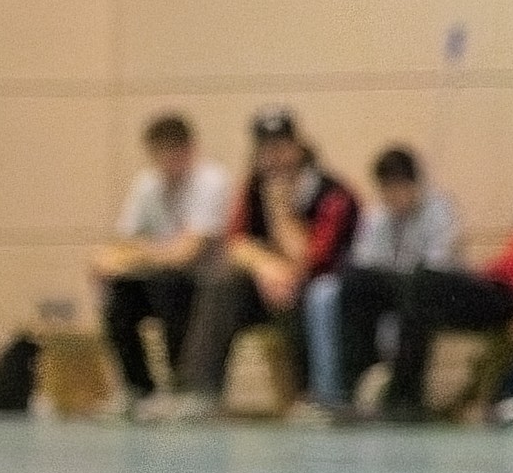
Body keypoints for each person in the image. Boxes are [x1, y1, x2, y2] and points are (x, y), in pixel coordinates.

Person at [344, 125, 513, 417]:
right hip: (497, 287)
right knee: (372, 286)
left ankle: (403, 400)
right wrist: (482, 276)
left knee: (422, 282)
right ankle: (370, 394)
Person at [171, 108, 357, 417]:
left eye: (280, 148)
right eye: (265, 150)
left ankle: (313, 395)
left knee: (304, 293)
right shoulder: (253, 188)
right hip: (269, 286)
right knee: (223, 283)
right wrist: (267, 267)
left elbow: (311, 259)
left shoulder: (334, 195)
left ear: (298, 147)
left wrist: (281, 211)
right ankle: (201, 390)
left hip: (319, 289)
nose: (273, 158)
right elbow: (235, 243)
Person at [307, 145, 461, 414]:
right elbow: (365, 264)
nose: (394, 196)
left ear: (415, 184)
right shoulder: (377, 216)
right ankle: (347, 388)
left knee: (418, 290)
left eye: (400, 187)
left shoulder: (440, 211)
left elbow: (438, 266)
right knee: (352, 286)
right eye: (387, 189)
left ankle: (404, 400)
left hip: (430, 291)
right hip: (392, 289)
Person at [91, 112, 229, 411]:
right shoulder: (147, 185)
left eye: (173, 153)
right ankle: (138, 386)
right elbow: (123, 245)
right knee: (120, 290)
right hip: (158, 279)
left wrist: (143, 251)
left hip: (204, 285)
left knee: (168, 284)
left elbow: (187, 254)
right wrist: (122, 257)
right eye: (159, 154)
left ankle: (182, 386)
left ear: (189, 150)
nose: (166, 162)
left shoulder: (211, 182)